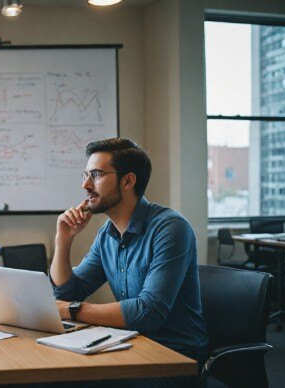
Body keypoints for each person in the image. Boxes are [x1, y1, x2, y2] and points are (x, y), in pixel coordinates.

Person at [50, 138, 208, 387]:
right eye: (85, 175)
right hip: (129, 345)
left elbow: (148, 313)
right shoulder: (107, 234)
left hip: (173, 358)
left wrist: (70, 309)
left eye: (96, 175)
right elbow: (68, 290)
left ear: (128, 181)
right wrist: (63, 241)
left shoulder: (170, 228)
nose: (85, 184)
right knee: (52, 375)